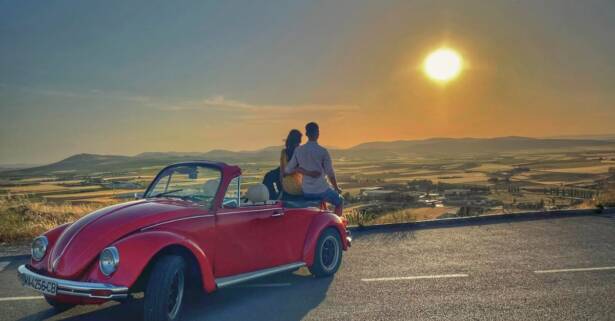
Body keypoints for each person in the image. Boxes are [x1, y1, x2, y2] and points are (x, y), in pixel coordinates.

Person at [285, 122, 344, 216]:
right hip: (321, 190)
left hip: (307, 192)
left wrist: (300, 170)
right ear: (318, 134)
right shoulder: (323, 151)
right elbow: (330, 173)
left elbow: (287, 170)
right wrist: (336, 188)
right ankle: (338, 224)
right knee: (340, 200)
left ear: (307, 134)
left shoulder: (298, 150)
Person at [262, 129, 319, 199]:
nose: (299, 144)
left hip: (293, 175)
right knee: (269, 176)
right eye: (298, 142)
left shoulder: (298, 152)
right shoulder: (285, 152)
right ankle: (272, 197)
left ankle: (275, 196)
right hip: (287, 172)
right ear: (294, 142)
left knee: (273, 176)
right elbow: (283, 171)